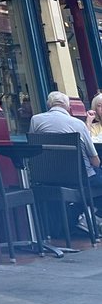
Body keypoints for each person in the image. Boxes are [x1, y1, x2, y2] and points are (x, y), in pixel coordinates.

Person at [29, 90, 102, 223]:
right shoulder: (78, 124)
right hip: (80, 178)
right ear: (68, 107)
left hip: (47, 177)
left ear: (48, 105)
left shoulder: (35, 120)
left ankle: (80, 218)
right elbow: (94, 160)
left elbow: (32, 149)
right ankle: (88, 218)